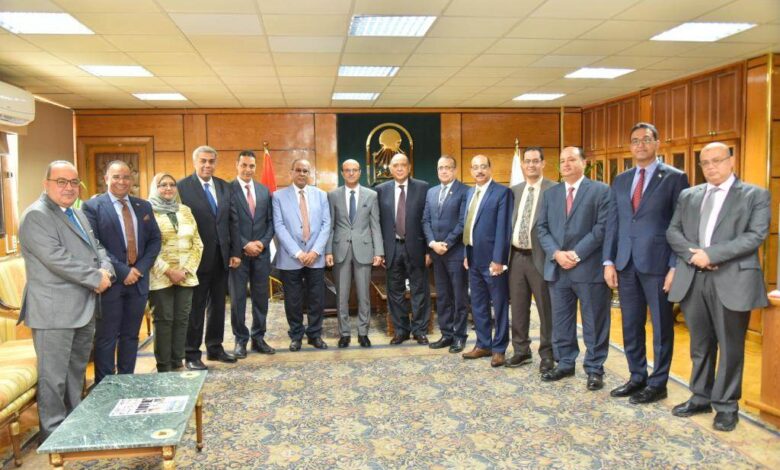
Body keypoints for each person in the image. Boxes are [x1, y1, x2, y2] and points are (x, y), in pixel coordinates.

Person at [666, 142, 770, 432]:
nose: (711, 167)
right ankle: (700, 396)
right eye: (705, 163)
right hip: (693, 278)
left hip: (732, 279)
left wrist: (711, 255)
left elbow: (755, 235)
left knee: (730, 346)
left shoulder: (755, 195)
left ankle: (726, 406)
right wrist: (694, 256)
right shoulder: (689, 195)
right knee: (700, 344)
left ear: (732, 160)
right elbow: (673, 231)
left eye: (718, 160)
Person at [19, 161, 113, 440]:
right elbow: (58, 260)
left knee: (75, 372)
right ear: (46, 184)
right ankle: (53, 432)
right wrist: (96, 278)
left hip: (82, 306)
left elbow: (97, 248)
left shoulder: (76, 213)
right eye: (61, 182)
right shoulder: (36, 216)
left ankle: (74, 423)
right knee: (53, 376)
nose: (69, 188)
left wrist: (106, 270)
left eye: (74, 182)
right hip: (53, 311)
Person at [603, 122, 689, 404]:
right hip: (626, 263)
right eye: (635, 140)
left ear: (657, 143)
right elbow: (614, 223)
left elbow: (681, 226)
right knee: (631, 324)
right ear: (630, 146)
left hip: (658, 265)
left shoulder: (675, 178)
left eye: (646, 139)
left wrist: (675, 266)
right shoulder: (621, 180)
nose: (640, 145)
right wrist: (609, 261)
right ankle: (637, 376)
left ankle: (658, 383)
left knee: (662, 326)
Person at [537, 147, 611, 390]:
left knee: (594, 322)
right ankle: (566, 363)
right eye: (562, 161)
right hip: (558, 269)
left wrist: (576, 254)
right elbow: (542, 228)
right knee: (561, 321)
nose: (566, 164)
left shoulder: (601, 191)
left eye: (571, 159)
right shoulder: (551, 194)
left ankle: (594, 369)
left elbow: (601, 228)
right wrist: (557, 254)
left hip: (588, 268)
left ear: (584, 162)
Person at [82, 161, 161, 384]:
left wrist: (139, 269)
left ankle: (126, 382)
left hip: (138, 282)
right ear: (106, 178)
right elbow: (95, 244)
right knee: (107, 337)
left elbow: (155, 240)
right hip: (110, 282)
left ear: (132, 180)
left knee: (130, 336)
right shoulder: (92, 207)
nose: (122, 181)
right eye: (116, 176)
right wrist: (123, 271)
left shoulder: (143, 206)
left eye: (126, 177)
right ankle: (106, 386)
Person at [178, 145, 242, 370]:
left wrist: (235, 252)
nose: (207, 165)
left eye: (211, 161)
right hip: (195, 259)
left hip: (221, 257)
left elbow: (232, 221)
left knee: (218, 305)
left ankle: (215, 347)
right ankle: (191, 354)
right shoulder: (182, 187)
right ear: (195, 162)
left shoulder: (224, 186)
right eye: (203, 161)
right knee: (195, 308)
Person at [273, 158, 331, 351]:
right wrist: (298, 253)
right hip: (291, 258)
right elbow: (279, 227)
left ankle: (315, 334)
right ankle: (296, 335)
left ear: (309, 173)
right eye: (298, 170)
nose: (302, 174)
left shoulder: (321, 195)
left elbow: (326, 225)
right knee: (293, 300)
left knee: (317, 299)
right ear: (291, 172)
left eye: (305, 171)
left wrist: (315, 251)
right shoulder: (278, 196)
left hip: (315, 257)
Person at [148, 173, 203, 372]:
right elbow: (146, 247)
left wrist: (185, 270)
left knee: (182, 319)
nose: (168, 188)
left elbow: (197, 243)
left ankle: (178, 362)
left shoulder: (185, 210)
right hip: (160, 276)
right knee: (164, 320)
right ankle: (164, 366)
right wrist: (169, 271)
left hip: (186, 276)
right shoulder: (147, 211)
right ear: (155, 188)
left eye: (172, 184)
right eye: (163, 185)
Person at [507, 147, 556, 372]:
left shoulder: (554, 190)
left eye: (536, 161)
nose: (531, 165)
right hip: (516, 257)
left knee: (546, 309)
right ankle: (521, 350)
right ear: (522, 164)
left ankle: (548, 353)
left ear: (543, 163)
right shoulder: (514, 191)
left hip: (541, 258)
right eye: (527, 161)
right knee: (518, 307)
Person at [326, 159, 384, 348]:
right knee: (341, 295)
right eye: (347, 170)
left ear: (360, 172)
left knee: (363, 294)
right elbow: (330, 226)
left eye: (354, 170)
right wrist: (328, 251)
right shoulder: (333, 195)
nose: (351, 173)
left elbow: (375, 225)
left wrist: (379, 251)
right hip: (340, 250)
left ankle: (363, 333)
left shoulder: (371, 195)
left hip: (364, 249)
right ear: (342, 173)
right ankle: (344, 333)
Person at [462, 155, 513, 367]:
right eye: (475, 167)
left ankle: (499, 348)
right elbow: (468, 225)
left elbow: (504, 228)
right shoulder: (469, 192)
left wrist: (499, 259)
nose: (479, 171)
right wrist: (466, 253)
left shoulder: (502, 193)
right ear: (471, 171)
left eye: (483, 166)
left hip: (493, 261)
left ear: (490, 168)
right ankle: (483, 344)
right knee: (478, 304)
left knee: (499, 305)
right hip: (473, 258)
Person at [376, 154, 431, 345]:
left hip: (417, 247)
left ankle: (420, 330)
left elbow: (428, 220)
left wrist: (428, 250)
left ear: (409, 167)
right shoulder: (381, 190)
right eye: (396, 165)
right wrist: (380, 251)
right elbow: (377, 223)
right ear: (390, 169)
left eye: (403, 165)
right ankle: (401, 331)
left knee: (419, 290)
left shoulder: (423, 187)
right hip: (392, 247)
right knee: (395, 292)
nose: (399, 168)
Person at [229, 150, 275, 357]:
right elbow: (225, 223)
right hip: (237, 256)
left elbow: (271, 222)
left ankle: (258, 338)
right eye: (244, 165)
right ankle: (240, 340)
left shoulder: (264, 191)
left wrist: (262, 243)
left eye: (251, 166)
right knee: (238, 299)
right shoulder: (227, 189)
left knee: (261, 298)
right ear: (237, 165)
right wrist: (245, 244)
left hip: (261, 255)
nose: (248, 169)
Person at [422, 155, 469, 353]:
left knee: (459, 297)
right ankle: (446, 334)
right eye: (440, 167)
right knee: (442, 296)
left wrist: (446, 244)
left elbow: (463, 222)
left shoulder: (465, 191)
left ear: (455, 170)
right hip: (437, 254)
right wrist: (433, 244)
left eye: (448, 167)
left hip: (455, 253)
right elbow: (425, 220)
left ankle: (459, 336)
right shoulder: (431, 192)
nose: (443, 171)